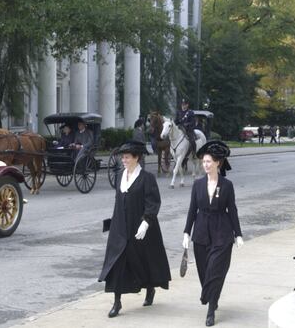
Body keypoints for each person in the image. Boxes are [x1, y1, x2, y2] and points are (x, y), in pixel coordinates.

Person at [99, 140, 171, 318]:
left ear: (136, 158)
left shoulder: (147, 178)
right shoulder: (119, 177)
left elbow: (153, 203)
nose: (123, 160)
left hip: (140, 228)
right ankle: (117, 302)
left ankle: (150, 289)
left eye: (126, 157)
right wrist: (113, 223)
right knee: (117, 264)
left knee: (144, 261)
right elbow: (118, 203)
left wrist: (146, 223)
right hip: (120, 229)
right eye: (122, 157)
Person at [182, 140, 243, 327]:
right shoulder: (198, 185)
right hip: (200, 233)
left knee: (215, 270)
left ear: (218, 163)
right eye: (204, 162)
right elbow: (192, 210)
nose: (205, 165)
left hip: (222, 233)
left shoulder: (227, 185)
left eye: (209, 161)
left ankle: (210, 309)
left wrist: (238, 234)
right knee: (204, 271)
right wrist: (186, 232)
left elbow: (232, 210)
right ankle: (212, 297)